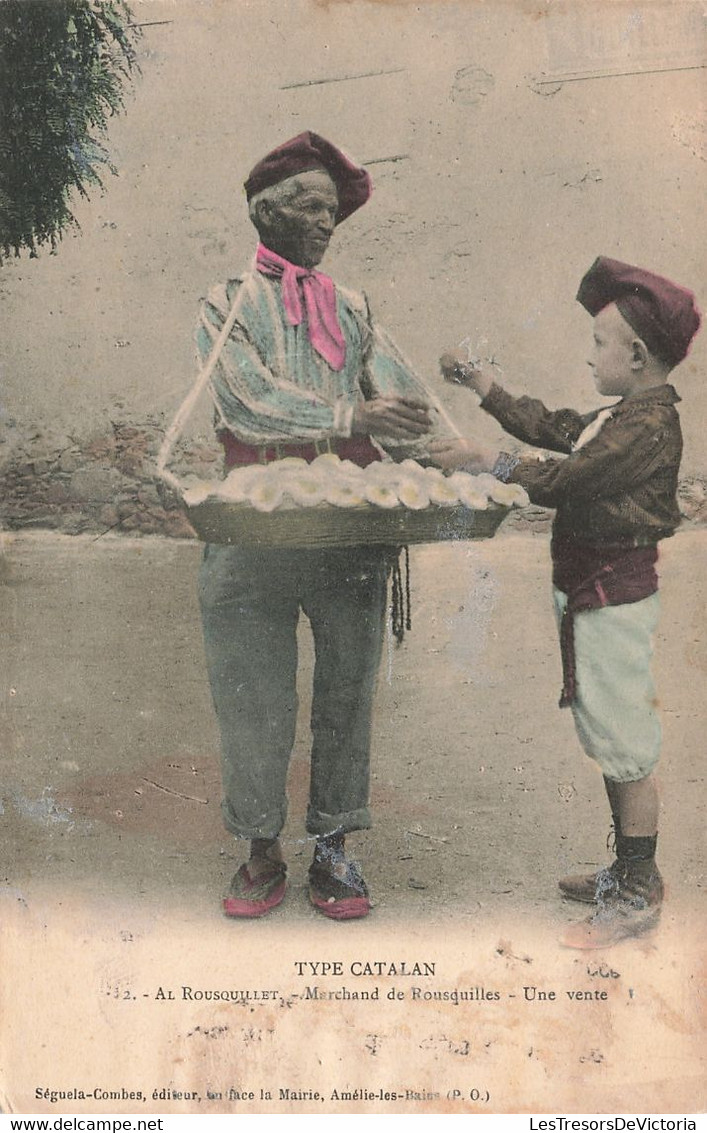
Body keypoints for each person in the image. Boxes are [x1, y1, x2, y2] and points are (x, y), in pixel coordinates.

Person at [196, 131, 439, 920]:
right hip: (252, 528)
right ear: (264, 212)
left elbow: (404, 404)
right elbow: (244, 403)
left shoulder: (353, 307)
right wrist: (350, 411)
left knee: (346, 687)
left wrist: (457, 450)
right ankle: (260, 846)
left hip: (346, 525)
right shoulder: (228, 300)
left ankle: (334, 844)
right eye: (308, 205)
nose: (324, 221)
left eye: (332, 210)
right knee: (252, 691)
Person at [428, 256, 701, 948]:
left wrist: (484, 460)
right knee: (608, 734)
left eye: (598, 344)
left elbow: (565, 477)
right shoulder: (621, 415)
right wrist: (483, 384)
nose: (588, 357)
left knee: (625, 745)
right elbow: (550, 427)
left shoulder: (645, 428)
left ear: (636, 356)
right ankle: (625, 867)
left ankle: (637, 888)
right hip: (591, 594)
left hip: (612, 598)